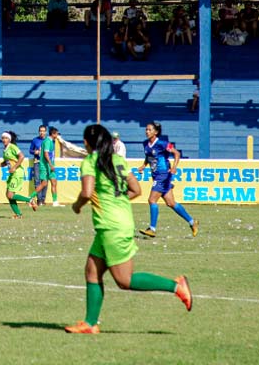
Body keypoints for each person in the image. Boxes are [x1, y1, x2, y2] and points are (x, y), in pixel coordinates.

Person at [65, 124, 192, 334]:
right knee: (92, 271)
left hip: (111, 227)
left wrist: (77, 206)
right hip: (118, 222)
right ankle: (90, 323)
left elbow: (87, 193)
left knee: (125, 280)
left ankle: (176, 286)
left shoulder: (90, 161)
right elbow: (136, 190)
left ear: (86, 143)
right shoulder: (118, 160)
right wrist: (117, 201)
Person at [138, 122, 198, 238]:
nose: (147, 132)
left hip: (163, 174)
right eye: (146, 129)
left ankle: (152, 229)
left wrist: (174, 167)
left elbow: (176, 153)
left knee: (152, 200)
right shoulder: (145, 143)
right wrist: (143, 166)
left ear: (156, 132)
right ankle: (192, 222)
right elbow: (149, 156)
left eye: (150, 130)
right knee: (171, 203)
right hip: (156, 175)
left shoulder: (163, 144)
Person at [0, 131, 37, 217]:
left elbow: (22, 156)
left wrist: (14, 167)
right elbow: (6, 162)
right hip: (12, 174)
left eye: (6, 138)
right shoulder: (5, 149)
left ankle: (30, 200)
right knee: (8, 195)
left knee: (10, 195)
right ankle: (18, 214)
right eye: (3, 138)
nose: (4, 140)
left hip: (17, 173)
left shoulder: (12, 147)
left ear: (9, 139)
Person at [32, 126, 62, 207]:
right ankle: (30, 198)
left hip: (49, 165)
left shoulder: (51, 141)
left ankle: (55, 202)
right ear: (53, 134)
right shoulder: (47, 141)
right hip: (45, 166)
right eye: (57, 134)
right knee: (43, 184)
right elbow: (46, 154)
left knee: (54, 182)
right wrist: (51, 165)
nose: (57, 136)